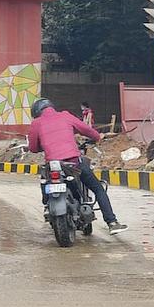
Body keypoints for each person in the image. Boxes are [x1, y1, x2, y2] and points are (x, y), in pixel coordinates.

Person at [27, 97, 128, 234]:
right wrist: (98, 137)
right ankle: (112, 222)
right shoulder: (65, 116)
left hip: (53, 165)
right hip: (73, 162)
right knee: (98, 188)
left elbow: (32, 147)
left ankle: (47, 205)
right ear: (51, 107)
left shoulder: (36, 123)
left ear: (37, 112)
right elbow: (87, 130)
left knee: (45, 178)